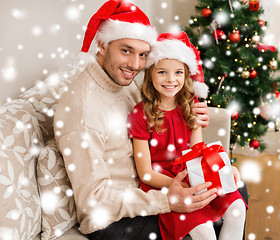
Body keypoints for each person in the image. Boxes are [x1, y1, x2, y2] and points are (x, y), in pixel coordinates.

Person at [53, 1, 243, 239]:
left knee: (232, 189)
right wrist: (169, 200)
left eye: (142, 55)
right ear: (101, 44)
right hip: (116, 220)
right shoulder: (82, 112)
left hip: (151, 189)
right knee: (205, 220)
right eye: (126, 50)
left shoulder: (120, 81)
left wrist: (211, 160)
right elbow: (94, 200)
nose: (135, 65)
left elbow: (161, 114)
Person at [127, 31, 247, 240]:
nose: (171, 79)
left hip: (193, 173)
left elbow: (198, 152)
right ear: (150, 74)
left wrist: (223, 169)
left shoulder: (190, 107)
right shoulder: (140, 115)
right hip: (163, 183)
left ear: (186, 75)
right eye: (162, 72)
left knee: (237, 207)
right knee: (204, 230)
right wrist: (180, 187)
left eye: (178, 73)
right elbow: (145, 173)